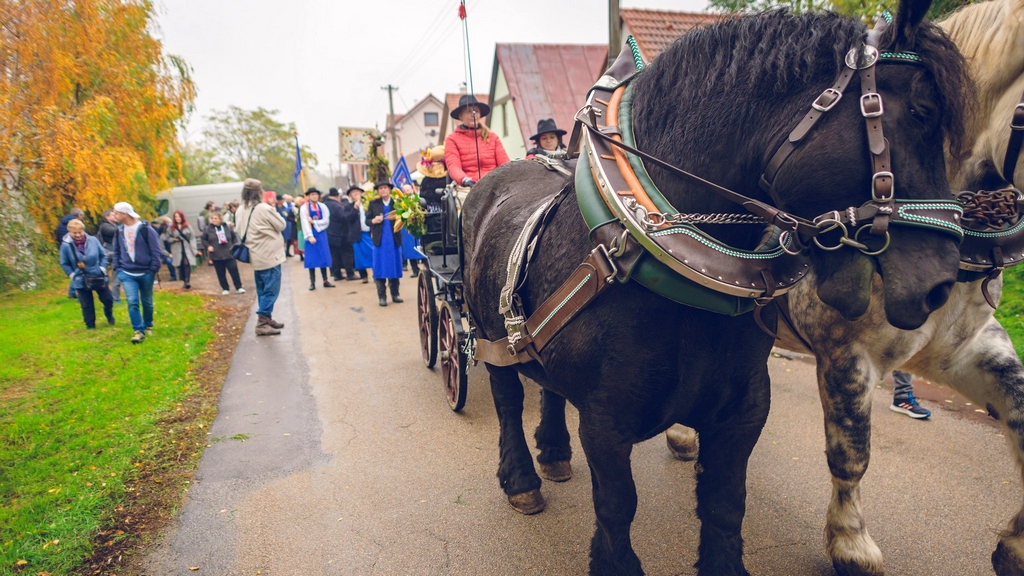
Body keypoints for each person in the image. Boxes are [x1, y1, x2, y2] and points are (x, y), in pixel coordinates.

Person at [235, 178, 287, 336]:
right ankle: (262, 322)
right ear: (259, 192)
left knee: (263, 289)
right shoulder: (263, 208)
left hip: (255, 255)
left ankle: (267, 318)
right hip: (269, 256)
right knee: (271, 289)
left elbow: (238, 230)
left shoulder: (239, 210)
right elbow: (281, 225)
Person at [110, 201, 163, 344]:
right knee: (132, 301)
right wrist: (118, 268)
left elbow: (156, 251)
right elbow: (116, 250)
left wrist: (153, 269)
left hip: (145, 272)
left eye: (116, 213)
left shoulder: (146, 229)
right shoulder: (119, 230)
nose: (114, 215)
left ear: (124, 214)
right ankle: (138, 331)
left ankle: (148, 324)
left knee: (147, 301)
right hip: (126, 273)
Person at [444, 95, 510, 188]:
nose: (473, 114)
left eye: (476, 111)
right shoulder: (452, 139)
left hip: (495, 185)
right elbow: (453, 166)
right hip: (468, 187)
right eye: (468, 111)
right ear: (460, 116)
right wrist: (464, 179)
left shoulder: (492, 137)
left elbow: (504, 163)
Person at [60, 219, 115, 329]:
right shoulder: (66, 245)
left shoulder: (93, 240)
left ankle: (109, 314)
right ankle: (90, 325)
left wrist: (102, 268)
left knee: (108, 299)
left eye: (80, 232)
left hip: (97, 275)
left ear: (83, 230)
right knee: (86, 304)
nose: (78, 235)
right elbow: (64, 263)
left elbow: (103, 255)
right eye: (74, 233)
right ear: (69, 232)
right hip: (80, 277)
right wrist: (72, 274)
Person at [367, 181, 403, 306]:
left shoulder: (397, 203)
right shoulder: (373, 204)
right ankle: (382, 296)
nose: (383, 190)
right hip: (379, 241)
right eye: (380, 188)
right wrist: (373, 220)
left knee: (394, 267)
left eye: (385, 188)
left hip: (394, 240)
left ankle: (395, 294)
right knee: (379, 268)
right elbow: (367, 220)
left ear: (389, 189)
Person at [202, 210, 245, 295]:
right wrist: (208, 246)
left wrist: (234, 246)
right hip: (216, 255)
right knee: (220, 273)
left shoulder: (227, 227)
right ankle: (225, 288)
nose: (214, 220)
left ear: (220, 219)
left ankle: (238, 287)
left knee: (234, 270)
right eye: (212, 218)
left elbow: (234, 237)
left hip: (228, 253)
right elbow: (203, 239)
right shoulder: (208, 229)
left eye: (216, 218)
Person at [299, 187, 334, 290]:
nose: (314, 196)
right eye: (312, 194)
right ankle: (312, 282)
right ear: (308, 196)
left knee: (323, 257)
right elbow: (304, 223)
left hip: (321, 233)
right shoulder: (304, 208)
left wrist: (315, 222)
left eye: (316, 194)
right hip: (311, 234)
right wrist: (309, 235)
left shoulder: (323, 206)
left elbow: (326, 220)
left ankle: (325, 280)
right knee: (312, 259)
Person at [57, 208, 85, 298]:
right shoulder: (75, 225)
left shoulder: (62, 223)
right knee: (78, 270)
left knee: (75, 270)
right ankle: (74, 291)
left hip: (64, 247)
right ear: (79, 215)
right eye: (82, 216)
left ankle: (72, 291)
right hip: (74, 247)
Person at [97, 209, 122, 303]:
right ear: (107, 217)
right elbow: (114, 232)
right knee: (104, 277)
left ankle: (116, 298)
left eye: (116, 215)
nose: (115, 216)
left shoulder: (117, 226)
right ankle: (107, 296)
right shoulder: (104, 226)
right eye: (113, 215)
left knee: (116, 275)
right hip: (107, 253)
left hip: (115, 253)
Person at [169, 210, 199, 289]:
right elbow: (167, 238)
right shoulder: (171, 228)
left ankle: (187, 280)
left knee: (186, 263)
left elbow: (192, 238)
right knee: (180, 264)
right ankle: (184, 280)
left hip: (187, 248)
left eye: (178, 216)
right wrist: (173, 239)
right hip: (177, 249)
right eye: (176, 217)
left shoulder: (187, 226)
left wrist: (194, 250)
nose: (177, 218)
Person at [324, 189, 349, 281]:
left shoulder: (324, 205)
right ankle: (349, 273)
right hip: (339, 233)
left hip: (328, 233)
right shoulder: (337, 206)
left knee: (333, 255)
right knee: (345, 253)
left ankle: (336, 274)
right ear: (337, 196)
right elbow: (343, 217)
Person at [399, 184, 424, 277]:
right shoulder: (401, 202)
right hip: (406, 230)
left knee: (421, 247)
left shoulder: (418, 200)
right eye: (405, 191)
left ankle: (427, 268)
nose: (407, 192)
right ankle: (415, 269)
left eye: (408, 190)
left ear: (412, 190)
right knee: (409, 250)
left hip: (417, 227)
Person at [349, 187, 371, 283]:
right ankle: (364, 276)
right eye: (353, 192)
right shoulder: (348, 206)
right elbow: (348, 218)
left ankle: (376, 274)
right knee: (359, 257)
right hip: (357, 235)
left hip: (368, 233)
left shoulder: (368, 204)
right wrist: (355, 208)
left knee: (372, 253)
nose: (356, 194)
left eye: (357, 192)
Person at [154, 216, 177, 282]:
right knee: (169, 261)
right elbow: (161, 248)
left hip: (176, 252)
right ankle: (173, 275)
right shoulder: (162, 237)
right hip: (166, 254)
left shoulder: (174, 236)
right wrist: (168, 254)